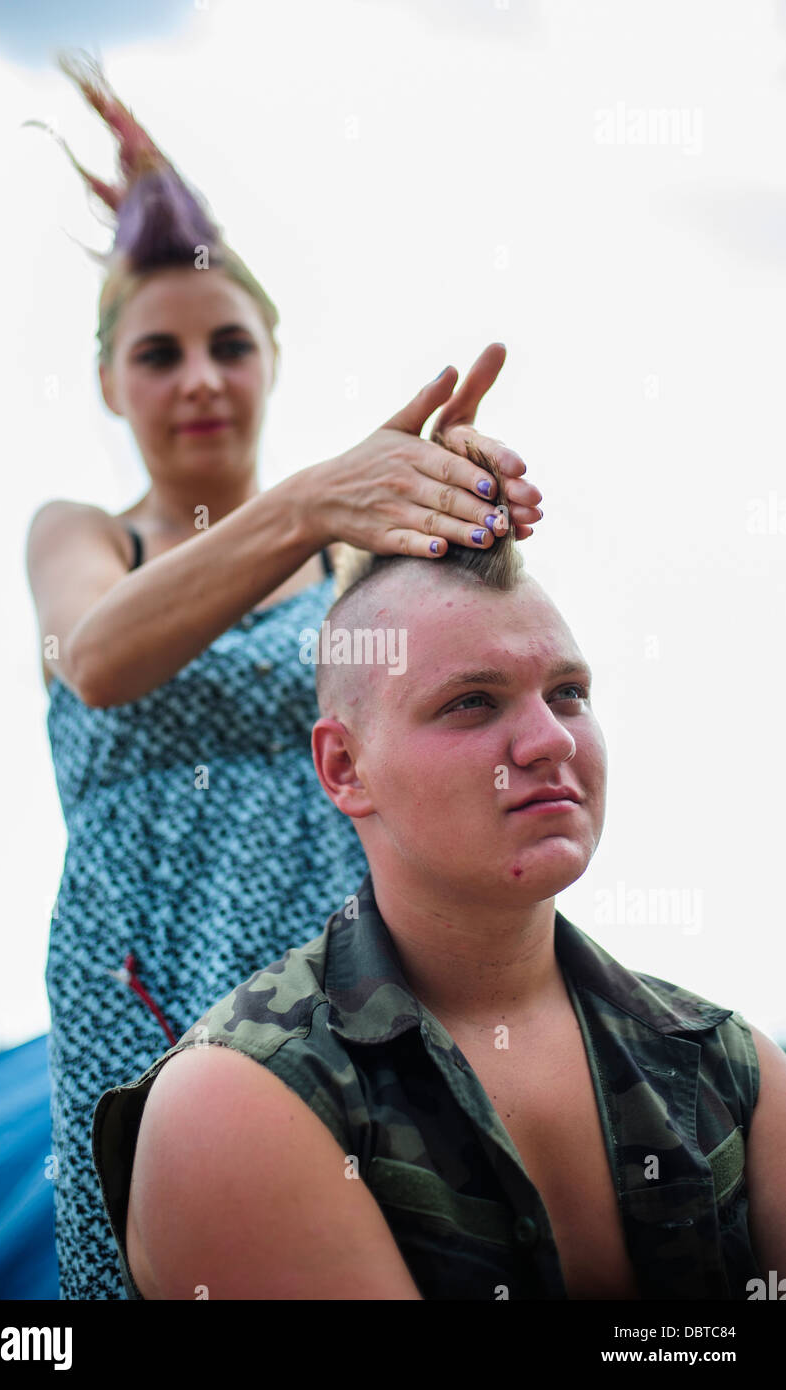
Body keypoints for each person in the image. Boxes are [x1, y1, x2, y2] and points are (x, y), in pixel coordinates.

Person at [21, 50, 544, 1301]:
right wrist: (315, 495)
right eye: (158, 354)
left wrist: (470, 503)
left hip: (346, 973)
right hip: (136, 975)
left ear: (270, 357)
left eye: (227, 344)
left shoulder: (346, 549)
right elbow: (93, 659)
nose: (199, 377)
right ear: (109, 381)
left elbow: (469, 659)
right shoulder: (85, 534)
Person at [91, 447, 786, 1300]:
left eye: (568, 692)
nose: (549, 741)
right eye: (472, 702)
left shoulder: (728, 1062)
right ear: (344, 768)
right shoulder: (243, 1096)